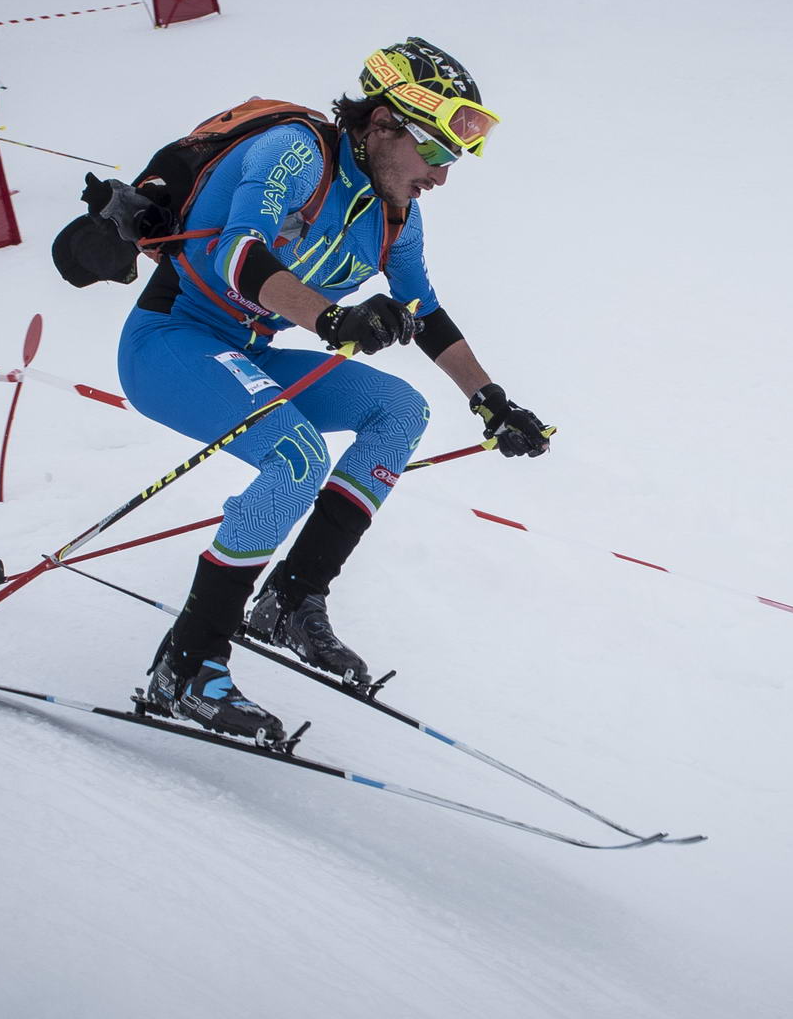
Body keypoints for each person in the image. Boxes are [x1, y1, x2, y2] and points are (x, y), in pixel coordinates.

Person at [119, 38, 551, 744]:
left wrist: (491, 400)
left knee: (399, 410)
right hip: (172, 341)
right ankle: (187, 666)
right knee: (295, 454)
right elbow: (237, 252)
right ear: (384, 125)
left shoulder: (394, 214)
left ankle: (290, 601)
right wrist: (332, 317)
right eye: (437, 154)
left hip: (246, 348)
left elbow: (425, 312)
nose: (441, 178)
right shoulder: (296, 153)